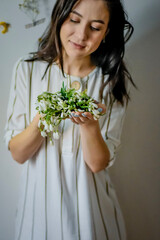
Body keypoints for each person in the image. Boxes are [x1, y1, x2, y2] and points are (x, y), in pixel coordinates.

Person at [4, 0, 135, 239]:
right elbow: (18, 154)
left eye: (95, 27)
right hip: (37, 218)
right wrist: (43, 118)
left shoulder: (110, 82)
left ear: (107, 33)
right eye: (74, 20)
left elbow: (97, 164)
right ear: (59, 18)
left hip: (93, 219)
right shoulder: (26, 69)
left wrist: (90, 125)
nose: (81, 34)